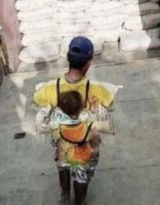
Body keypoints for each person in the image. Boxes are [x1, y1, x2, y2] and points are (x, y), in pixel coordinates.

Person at [33, 36, 115, 205]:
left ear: (68, 59)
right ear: (88, 62)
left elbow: (37, 99)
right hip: (84, 143)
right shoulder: (96, 89)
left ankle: (64, 196)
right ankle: (79, 202)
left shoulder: (51, 88)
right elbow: (110, 105)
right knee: (82, 174)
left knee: (62, 164)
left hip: (62, 140)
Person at [48, 91, 101, 205]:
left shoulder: (56, 115)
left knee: (63, 170)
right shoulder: (86, 117)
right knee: (81, 179)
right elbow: (94, 133)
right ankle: (79, 201)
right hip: (81, 156)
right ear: (81, 108)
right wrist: (95, 150)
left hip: (64, 153)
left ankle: (65, 196)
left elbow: (53, 134)